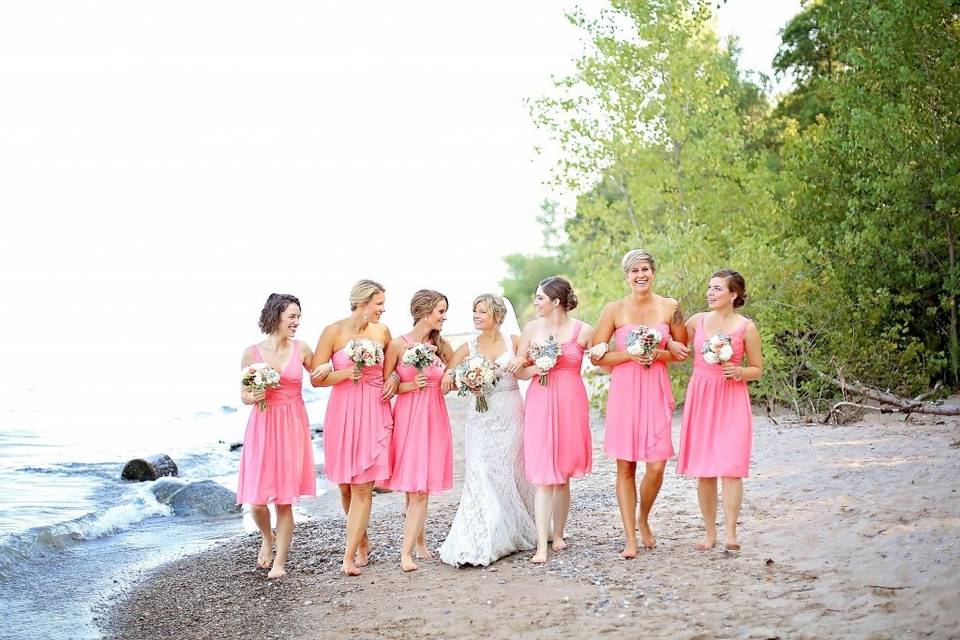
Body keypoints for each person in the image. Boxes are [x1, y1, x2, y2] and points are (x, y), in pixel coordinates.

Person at [588, 249, 687, 556]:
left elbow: (682, 353)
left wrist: (657, 352)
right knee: (626, 466)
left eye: (645, 269)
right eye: (634, 271)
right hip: (625, 392)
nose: (640, 275)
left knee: (656, 466)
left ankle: (643, 517)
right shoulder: (613, 310)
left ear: (653, 272)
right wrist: (630, 355)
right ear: (626, 276)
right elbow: (597, 356)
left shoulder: (671, 307)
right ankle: (630, 537)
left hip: (656, 389)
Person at [439, 294, 537, 566]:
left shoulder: (514, 342)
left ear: (496, 315)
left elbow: (525, 370)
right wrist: (463, 382)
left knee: (510, 472)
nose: (476, 315)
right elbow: (449, 380)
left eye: (481, 311)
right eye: (474, 311)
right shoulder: (467, 347)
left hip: (511, 413)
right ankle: (486, 537)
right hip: (481, 419)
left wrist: (535, 364)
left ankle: (515, 530)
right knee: (482, 472)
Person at [237, 293, 328, 579]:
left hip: (292, 425)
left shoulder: (302, 349)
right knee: (257, 501)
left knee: (285, 500)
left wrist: (343, 366)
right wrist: (256, 395)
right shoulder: (251, 353)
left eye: (299, 317)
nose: (297, 322)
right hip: (263, 426)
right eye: (292, 316)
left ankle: (280, 563)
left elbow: (318, 375)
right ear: (276, 316)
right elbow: (243, 395)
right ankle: (267, 536)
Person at [311, 279, 398, 576]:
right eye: (378, 304)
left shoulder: (382, 332)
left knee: (363, 485)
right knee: (346, 487)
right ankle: (362, 540)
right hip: (343, 411)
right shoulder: (333, 332)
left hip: (373, 408)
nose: (382, 310)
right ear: (362, 302)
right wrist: (347, 372)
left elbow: (394, 368)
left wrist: (394, 380)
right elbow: (316, 379)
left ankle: (349, 555)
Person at [675, 269, 763, 551]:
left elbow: (757, 370)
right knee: (705, 470)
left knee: (731, 467)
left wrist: (739, 371)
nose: (710, 293)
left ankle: (730, 533)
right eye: (709, 288)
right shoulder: (697, 322)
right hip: (701, 395)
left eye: (717, 289)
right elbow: (675, 346)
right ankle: (709, 532)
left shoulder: (746, 327)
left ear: (733, 294)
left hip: (732, 397)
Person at [509, 276, 594, 564]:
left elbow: (603, 356)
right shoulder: (531, 329)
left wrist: (606, 350)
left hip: (571, 402)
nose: (535, 303)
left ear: (556, 301)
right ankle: (541, 546)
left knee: (563, 473)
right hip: (541, 401)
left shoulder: (583, 330)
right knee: (544, 475)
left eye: (540, 298)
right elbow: (518, 371)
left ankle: (558, 534)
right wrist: (535, 369)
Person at [382, 290, 454, 571]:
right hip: (408, 417)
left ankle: (408, 551)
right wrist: (411, 384)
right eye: (440, 311)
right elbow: (386, 387)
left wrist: (454, 378)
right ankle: (414, 546)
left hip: (434, 417)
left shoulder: (442, 345)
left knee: (421, 488)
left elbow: (454, 375)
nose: (444, 316)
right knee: (413, 488)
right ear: (425, 312)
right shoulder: (398, 345)